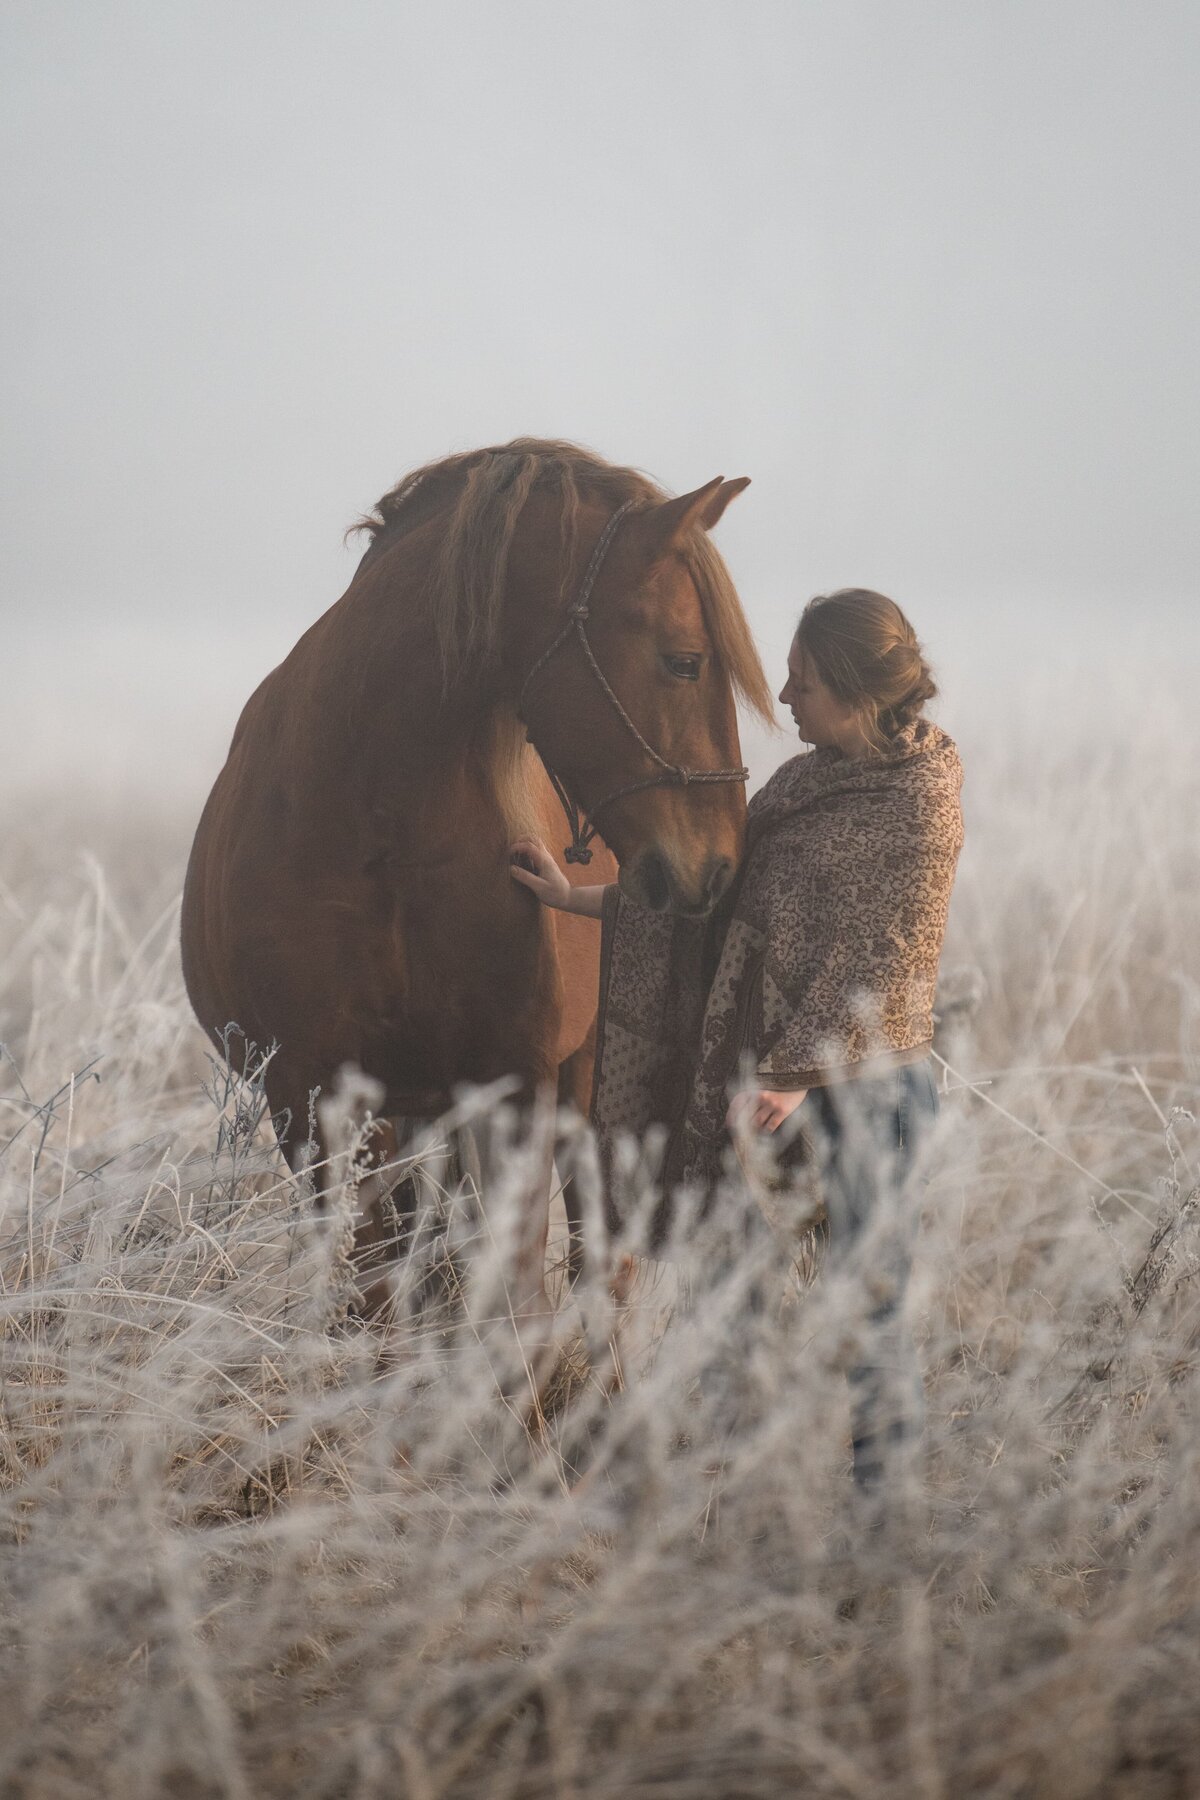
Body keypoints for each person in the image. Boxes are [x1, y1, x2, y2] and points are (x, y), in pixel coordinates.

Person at [512, 589, 964, 1503]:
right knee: (730, 1305)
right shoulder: (801, 784)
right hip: (757, 1086)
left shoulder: (920, 801)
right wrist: (572, 900)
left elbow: (886, 954)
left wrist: (801, 1075)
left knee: (869, 1316)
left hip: (864, 1095)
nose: (785, 698)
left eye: (800, 681)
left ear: (853, 687)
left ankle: (886, 1532)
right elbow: (706, 905)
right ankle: (737, 1508)